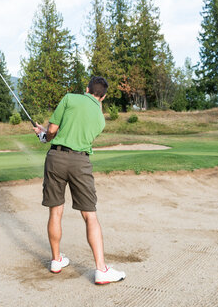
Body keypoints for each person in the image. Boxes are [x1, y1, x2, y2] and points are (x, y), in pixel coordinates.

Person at [33, 76, 126, 285]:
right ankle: (101, 269)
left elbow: (52, 132)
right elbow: (82, 135)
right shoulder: (101, 120)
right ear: (104, 96)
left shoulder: (69, 99)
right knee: (89, 216)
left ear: (86, 88)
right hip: (80, 162)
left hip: (55, 158)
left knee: (56, 211)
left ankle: (56, 260)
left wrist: (42, 135)